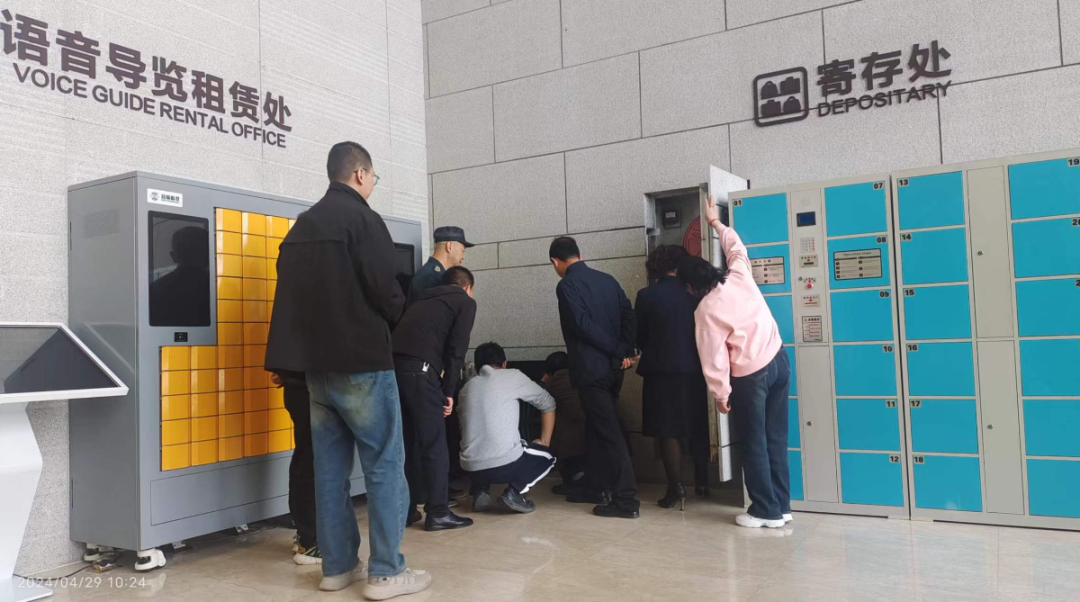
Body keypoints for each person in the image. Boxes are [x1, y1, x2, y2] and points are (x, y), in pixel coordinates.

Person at [265, 141, 431, 599]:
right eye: (374, 176)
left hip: (315, 372)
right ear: (360, 174)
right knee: (384, 465)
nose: (373, 183)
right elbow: (385, 289)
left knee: (330, 472)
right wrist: (397, 317)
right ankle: (387, 572)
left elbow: (288, 299)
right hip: (362, 363)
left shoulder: (301, 227)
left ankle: (337, 568)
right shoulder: (363, 219)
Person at [678, 196, 792, 530]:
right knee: (775, 438)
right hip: (779, 360)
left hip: (751, 375)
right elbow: (736, 247)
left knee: (754, 442)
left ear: (690, 287)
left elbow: (713, 360)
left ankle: (765, 511)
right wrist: (715, 222)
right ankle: (782, 506)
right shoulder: (739, 275)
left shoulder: (706, 310)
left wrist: (721, 396)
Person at [549, 236, 641, 519]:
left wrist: (617, 350)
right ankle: (595, 487)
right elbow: (629, 315)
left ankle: (626, 500)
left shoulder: (567, 285)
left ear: (555, 261)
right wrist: (625, 350)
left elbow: (582, 325)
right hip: (614, 371)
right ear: (580, 255)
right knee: (597, 429)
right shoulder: (608, 280)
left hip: (591, 370)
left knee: (608, 432)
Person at [392, 266, 478, 531]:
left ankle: (406, 511)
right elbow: (457, 350)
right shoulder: (464, 302)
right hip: (421, 373)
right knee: (435, 444)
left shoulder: (421, 300)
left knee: (408, 444)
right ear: (467, 287)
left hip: (394, 373)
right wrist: (448, 392)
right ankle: (438, 512)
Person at [635, 245, 711, 510]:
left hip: (660, 371)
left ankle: (675, 487)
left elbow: (640, 337)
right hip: (695, 369)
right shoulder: (697, 294)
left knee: (667, 430)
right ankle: (703, 481)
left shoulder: (646, 295)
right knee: (698, 423)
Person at [458, 342, 557, 514]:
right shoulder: (513, 375)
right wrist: (544, 441)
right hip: (504, 468)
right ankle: (515, 493)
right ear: (504, 364)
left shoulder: (466, 388)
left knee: (484, 446)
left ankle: (480, 490)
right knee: (548, 456)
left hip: (470, 468)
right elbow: (548, 403)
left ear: (477, 366)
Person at [268, 370, 321, 565]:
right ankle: (311, 542)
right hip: (312, 386)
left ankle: (305, 537)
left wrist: (284, 371)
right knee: (312, 463)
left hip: (297, 384)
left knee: (304, 459)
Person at [542, 352, 588, 495]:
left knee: (553, 424)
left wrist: (544, 382)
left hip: (575, 440)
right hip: (600, 433)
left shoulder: (556, 383)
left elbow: (540, 399)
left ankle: (571, 482)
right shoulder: (583, 376)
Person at [407, 226, 474, 304]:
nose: (463, 257)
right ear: (449, 246)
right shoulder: (434, 277)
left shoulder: (431, 273)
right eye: (462, 251)